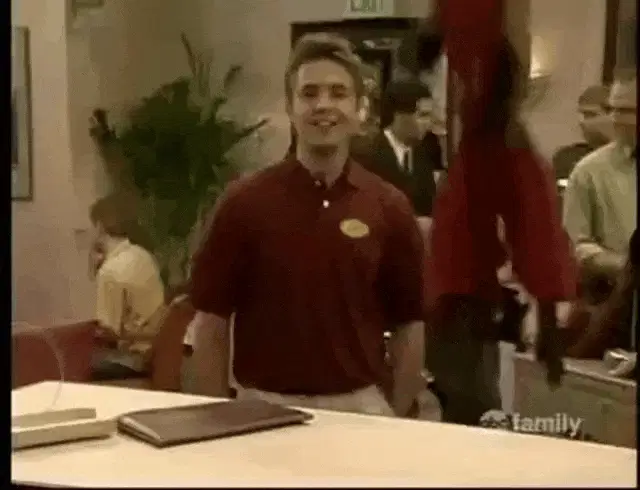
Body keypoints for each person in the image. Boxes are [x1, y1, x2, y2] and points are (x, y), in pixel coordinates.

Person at [189, 33, 426, 417]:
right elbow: (211, 320)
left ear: (360, 108)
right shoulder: (243, 203)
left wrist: (397, 416)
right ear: (290, 107)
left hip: (361, 409)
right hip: (262, 407)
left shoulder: (389, 207)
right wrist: (216, 416)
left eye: (338, 93)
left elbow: (409, 322)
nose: (323, 105)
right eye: (309, 93)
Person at [414, 0, 577, 426]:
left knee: (469, 413)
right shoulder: (480, 142)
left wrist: (547, 310)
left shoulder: (499, 144)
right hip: (454, 305)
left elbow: (536, 227)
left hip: (463, 308)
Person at [563, 71, 637, 283]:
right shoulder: (588, 171)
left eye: (626, 111)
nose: (615, 119)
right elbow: (576, 245)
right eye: (613, 109)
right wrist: (626, 266)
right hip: (616, 293)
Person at [89, 194, 166, 381]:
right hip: (159, 350)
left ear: (100, 226)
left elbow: (108, 332)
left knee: (81, 362)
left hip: (136, 357)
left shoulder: (110, 271)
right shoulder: (143, 255)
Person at [356, 78, 438, 217]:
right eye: (423, 115)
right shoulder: (367, 155)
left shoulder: (424, 155)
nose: (429, 123)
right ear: (399, 115)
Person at [552, 85, 611, 181]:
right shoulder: (568, 158)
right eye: (582, 115)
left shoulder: (629, 161)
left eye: (590, 115)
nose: (582, 122)